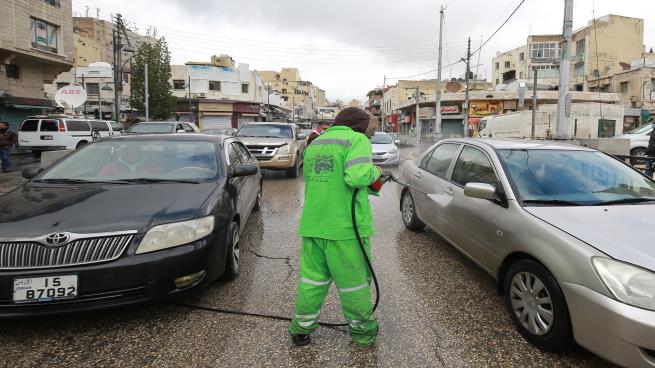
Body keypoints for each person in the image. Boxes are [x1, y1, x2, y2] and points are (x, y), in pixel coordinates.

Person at [289, 107, 384, 348]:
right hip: (345, 231)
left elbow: (331, 180)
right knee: (354, 285)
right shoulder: (357, 140)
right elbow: (357, 177)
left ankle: (300, 330)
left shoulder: (316, 144)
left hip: (313, 226)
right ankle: (363, 334)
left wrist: (373, 185)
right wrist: (378, 171)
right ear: (361, 127)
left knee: (312, 282)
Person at [98, 145, 164, 177]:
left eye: (133, 150)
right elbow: (99, 182)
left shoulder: (153, 167)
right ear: (121, 152)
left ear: (140, 152)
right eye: (126, 150)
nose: (129, 152)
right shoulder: (110, 168)